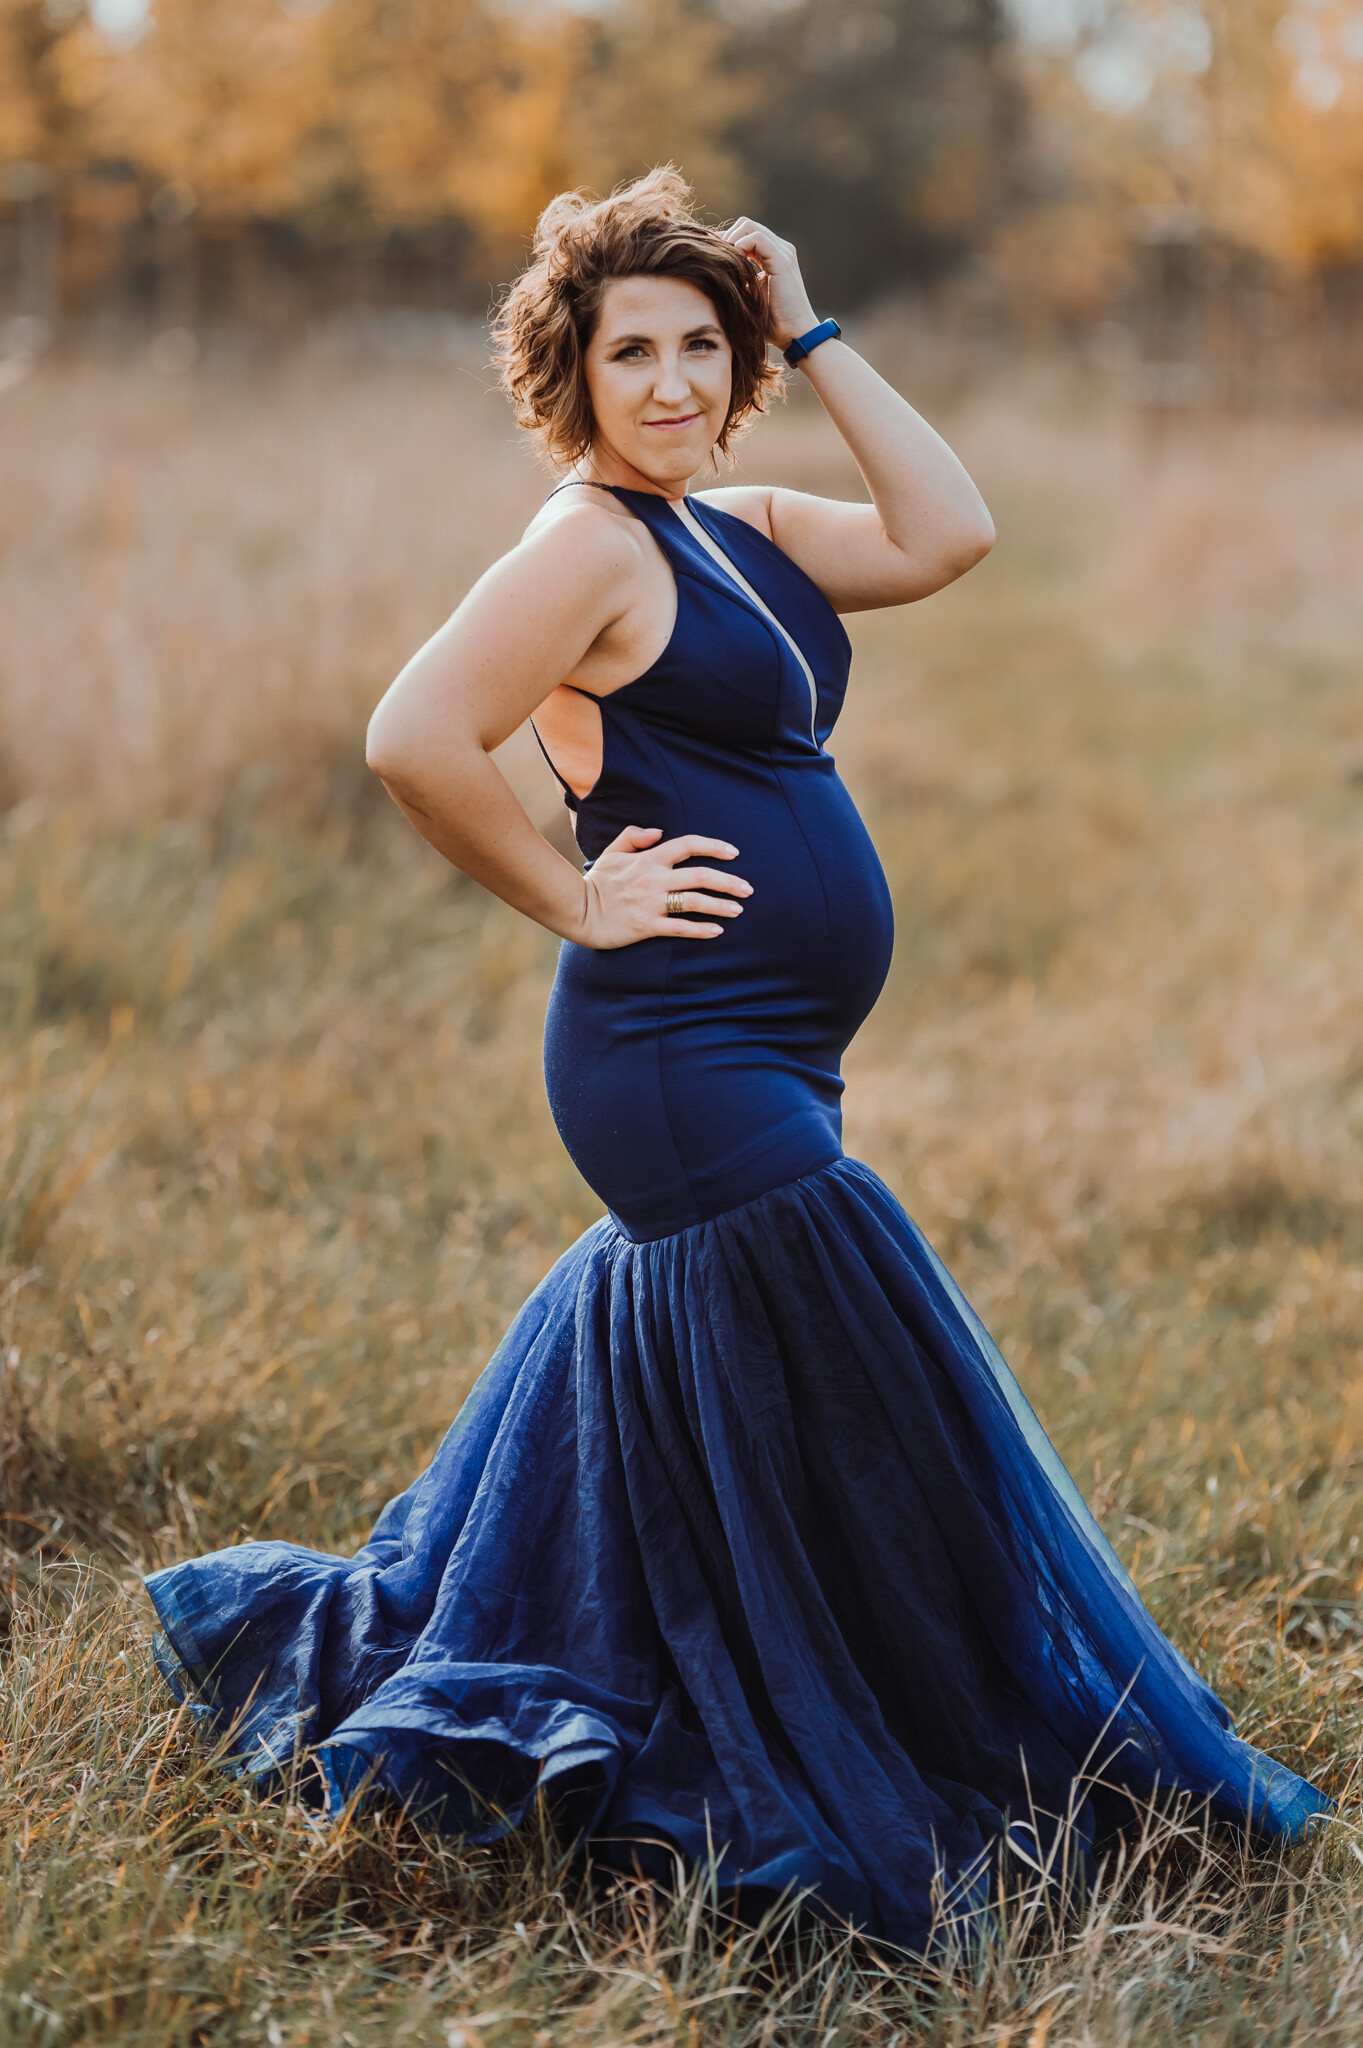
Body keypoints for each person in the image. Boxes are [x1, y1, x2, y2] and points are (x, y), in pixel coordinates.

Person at [145, 169, 1327, 1953]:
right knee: (870, 1395)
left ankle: (771, 1678)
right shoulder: (589, 548)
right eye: (634, 352)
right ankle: (841, 1735)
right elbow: (413, 734)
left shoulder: (728, 524)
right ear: (573, 373)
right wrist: (576, 899)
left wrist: (817, 323)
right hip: (676, 1058)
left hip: (770, 1050)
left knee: (777, 1412)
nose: (675, 382)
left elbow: (948, 533)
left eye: (704, 345)